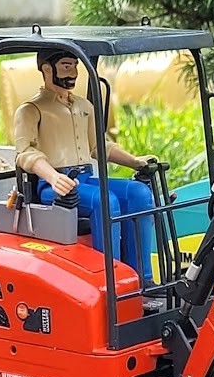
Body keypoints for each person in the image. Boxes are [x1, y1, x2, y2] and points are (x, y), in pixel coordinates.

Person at [13, 47, 161, 288]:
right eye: (66, 66)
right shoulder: (32, 110)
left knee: (139, 194)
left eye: (75, 66)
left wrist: (134, 161)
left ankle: (142, 280)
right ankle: (111, 283)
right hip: (54, 185)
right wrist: (52, 177)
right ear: (47, 69)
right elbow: (25, 153)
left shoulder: (84, 107)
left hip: (86, 178)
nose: (73, 72)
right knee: (104, 200)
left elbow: (99, 146)